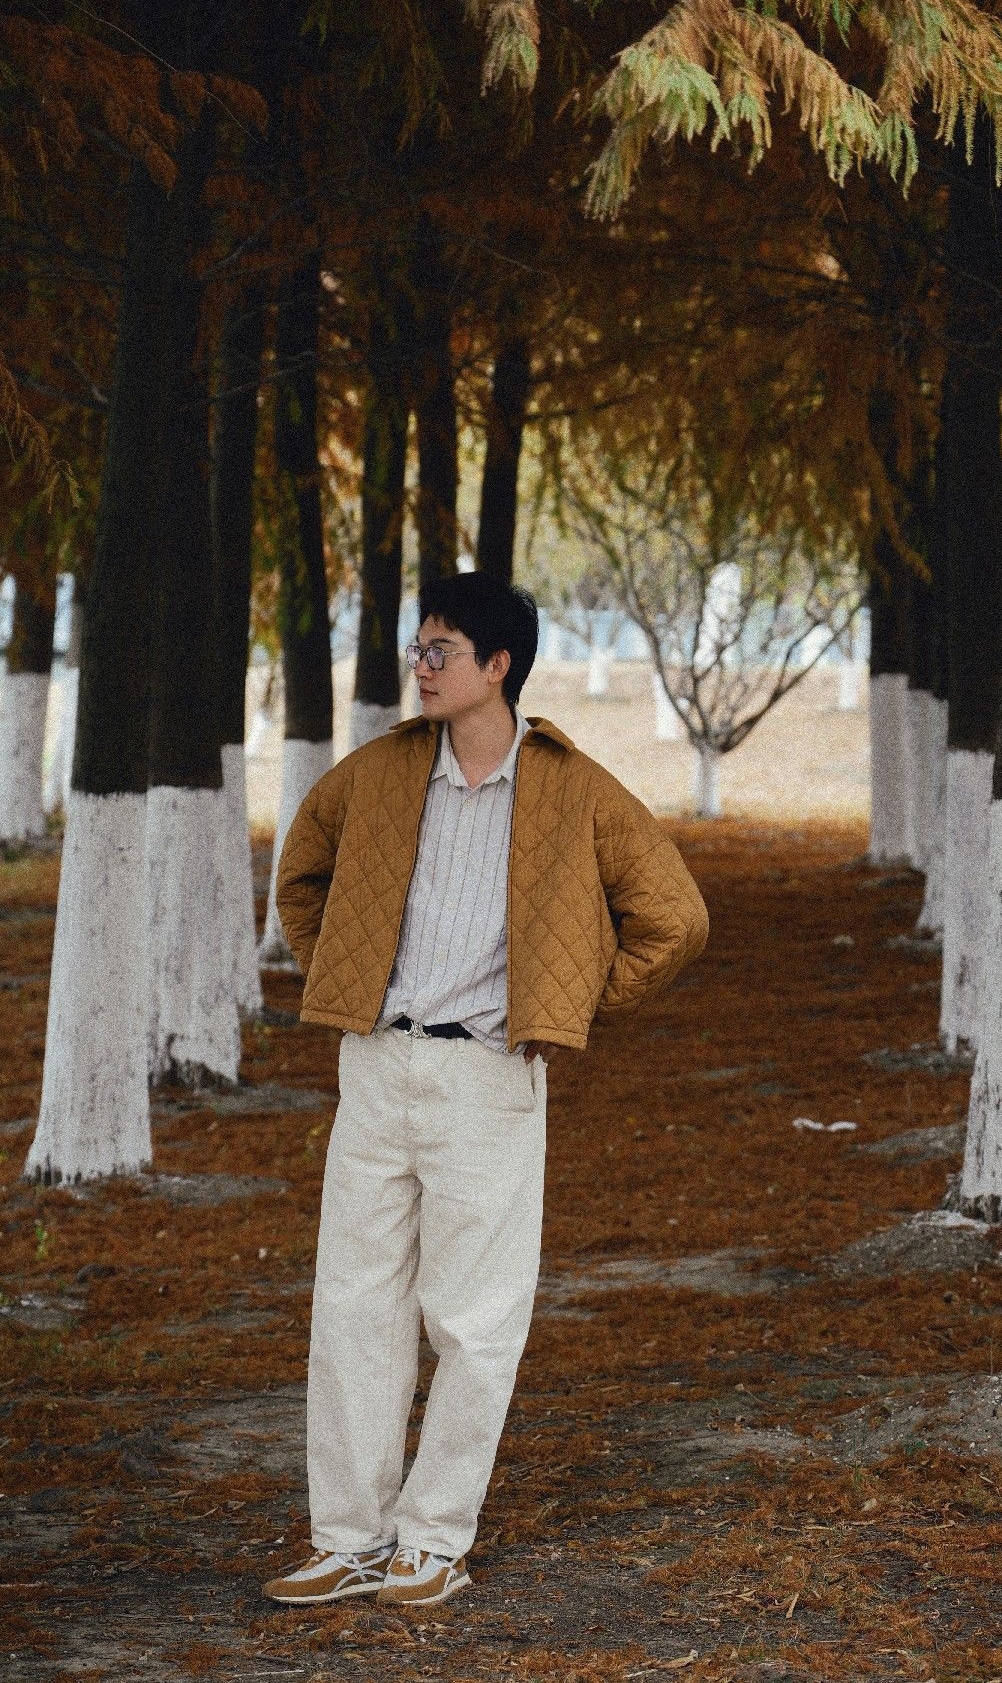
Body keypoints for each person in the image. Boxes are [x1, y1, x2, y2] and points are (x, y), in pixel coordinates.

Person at [266, 571, 708, 1608]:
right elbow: (301, 876)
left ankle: (433, 1542)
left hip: (488, 1074)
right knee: (353, 1306)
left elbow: (676, 918)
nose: (422, 668)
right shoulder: (378, 772)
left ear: (498, 666)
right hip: (376, 1066)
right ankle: (350, 1538)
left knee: (473, 1320)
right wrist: (342, 976)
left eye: (442, 651)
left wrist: (567, 1004)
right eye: (417, 648)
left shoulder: (574, 789)